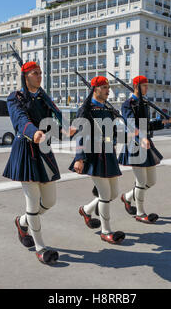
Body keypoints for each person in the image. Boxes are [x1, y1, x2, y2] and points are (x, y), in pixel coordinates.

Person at [3, 61, 73, 265]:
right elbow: (19, 119)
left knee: (49, 201)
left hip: (44, 150)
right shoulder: (15, 97)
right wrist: (34, 132)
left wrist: (64, 130)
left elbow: (51, 122)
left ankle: (22, 221)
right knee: (32, 202)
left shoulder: (43, 98)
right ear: (26, 76)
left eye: (41, 73)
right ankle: (40, 246)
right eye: (35, 73)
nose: (39, 76)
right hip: (26, 150)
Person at [70, 76, 126, 245]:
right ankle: (106, 231)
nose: (108, 90)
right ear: (95, 89)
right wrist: (79, 158)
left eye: (108, 87)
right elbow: (80, 134)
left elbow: (112, 131)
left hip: (108, 153)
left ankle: (86, 210)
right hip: (93, 155)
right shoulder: (86, 109)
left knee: (113, 193)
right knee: (104, 194)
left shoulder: (107, 109)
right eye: (105, 87)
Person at [118, 76, 171, 224]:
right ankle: (140, 213)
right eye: (144, 86)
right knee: (141, 181)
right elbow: (131, 124)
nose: (147, 88)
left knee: (151, 181)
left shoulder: (144, 103)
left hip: (146, 142)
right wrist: (141, 137)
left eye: (147, 86)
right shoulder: (128, 104)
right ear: (136, 86)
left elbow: (146, 125)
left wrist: (162, 122)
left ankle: (128, 197)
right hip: (135, 143)